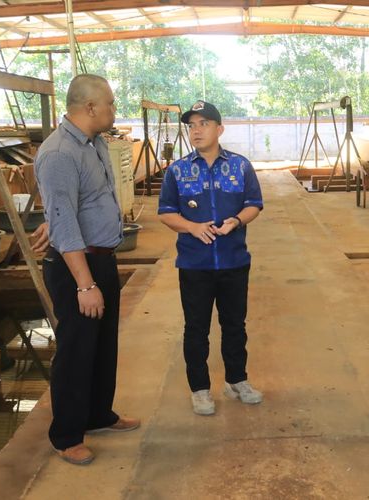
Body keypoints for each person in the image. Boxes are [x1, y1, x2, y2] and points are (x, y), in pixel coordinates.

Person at [34, 74, 140, 465]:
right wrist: (84, 284)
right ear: (90, 107)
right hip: (76, 266)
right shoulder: (60, 152)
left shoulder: (93, 144)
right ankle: (66, 435)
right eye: (110, 103)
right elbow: (63, 221)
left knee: (102, 345)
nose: (114, 110)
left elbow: (72, 205)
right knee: (77, 350)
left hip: (100, 258)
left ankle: (97, 414)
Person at [158, 100, 264, 416]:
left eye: (203, 124)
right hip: (195, 265)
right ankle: (200, 389)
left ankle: (236, 381)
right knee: (196, 328)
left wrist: (237, 221)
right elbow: (166, 212)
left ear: (219, 129)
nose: (196, 130)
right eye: (191, 125)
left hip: (234, 261)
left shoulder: (240, 166)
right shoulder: (177, 171)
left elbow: (254, 203)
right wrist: (191, 226)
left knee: (234, 324)